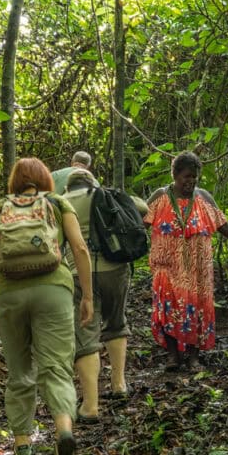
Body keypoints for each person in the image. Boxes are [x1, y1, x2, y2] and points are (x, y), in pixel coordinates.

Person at [0, 157, 94, 455]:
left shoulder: (0, 207)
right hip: (53, 288)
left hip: (8, 293)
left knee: (19, 369)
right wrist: (87, 296)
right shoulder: (57, 203)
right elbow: (80, 247)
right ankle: (64, 431)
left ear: (15, 182)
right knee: (55, 366)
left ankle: (23, 446)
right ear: (45, 179)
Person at [145, 151, 228, 371]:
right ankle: (173, 357)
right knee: (168, 309)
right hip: (167, 268)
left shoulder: (204, 198)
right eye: (187, 176)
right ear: (175, 175)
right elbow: (139, 221)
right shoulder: (160, 197)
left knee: (197, 310)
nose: (191, 181)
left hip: (198, 271)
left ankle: (193, 358)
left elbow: (223, 225)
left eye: (195, 177)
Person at [61, 166, 149, 420]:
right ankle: (119, 384)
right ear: (91, 182)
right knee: (116, 320)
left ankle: (90, 405)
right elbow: (142, 208)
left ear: (69, 186)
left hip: (79, 273)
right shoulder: (105, 194)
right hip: (116, 267)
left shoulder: (60, 202)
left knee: (86, 333)